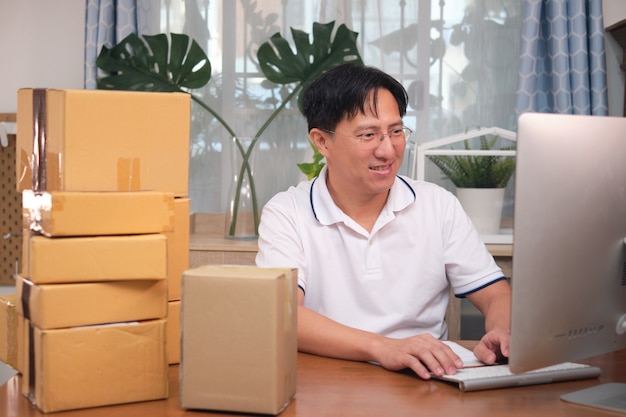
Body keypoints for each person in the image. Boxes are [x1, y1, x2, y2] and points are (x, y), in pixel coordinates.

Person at [255, 63, 511, 380]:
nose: (388, 149)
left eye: (396, 131)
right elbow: (284, 315)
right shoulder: (286, 213)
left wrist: (502, 332)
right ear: (322, 142)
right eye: (368, 135)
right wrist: (384, 348)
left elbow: (495, 294)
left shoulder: (437, 205)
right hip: (324, 382)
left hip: (425, 382)